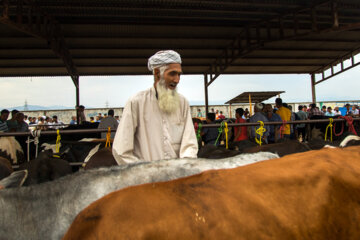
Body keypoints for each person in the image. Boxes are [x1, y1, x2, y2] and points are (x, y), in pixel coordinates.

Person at [112, 50, 198, 164]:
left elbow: (190, 144)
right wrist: (145, 172)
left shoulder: (183, 103)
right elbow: (121, 150)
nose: (177, 80)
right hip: (146, 176)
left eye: (179, 74)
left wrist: (184, 167)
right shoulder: (136, 102)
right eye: (172, 73)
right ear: (157, 73)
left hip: (177, 174)